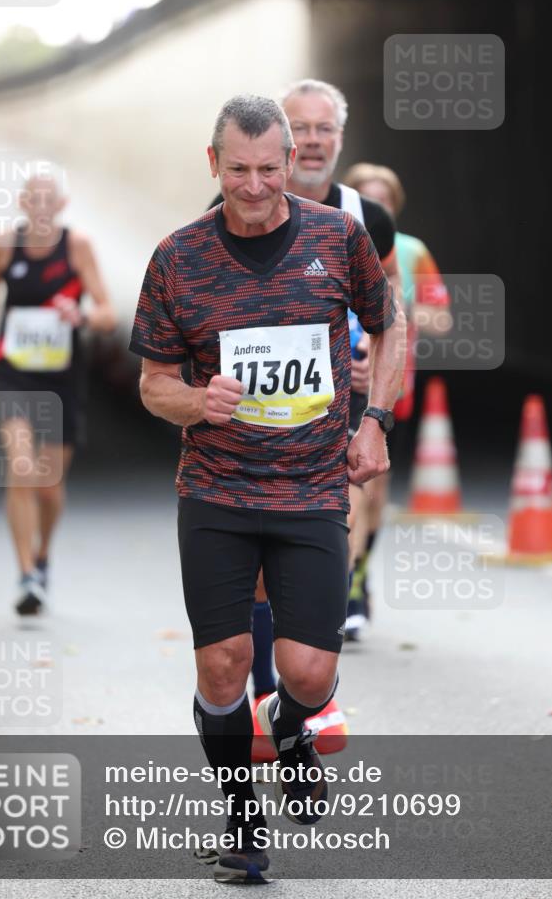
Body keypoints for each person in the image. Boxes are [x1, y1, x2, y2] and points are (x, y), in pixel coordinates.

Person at [131, 95, 405, 882]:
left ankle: (288, 727)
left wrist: (375, 419)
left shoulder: (336, 237)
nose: (253, 186)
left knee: (309, 672)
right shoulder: (177, 257)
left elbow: (388, 325)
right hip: (216, 489)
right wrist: (194, 400)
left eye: (267, 168)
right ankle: (242, 820)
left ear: (290, 164)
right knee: (221, 664)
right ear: (213, 164)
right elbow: (153, 382)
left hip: (312, 487)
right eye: (237, 169)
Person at [210, 79, 399, 736]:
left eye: (326, 128)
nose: (314, 140)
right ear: (281, 144)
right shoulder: (235, 204)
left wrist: (375, 384)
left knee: (330, 541)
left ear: (338, 139)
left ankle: (308, 698)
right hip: (263, 421)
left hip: (340, 407)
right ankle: (280, 713)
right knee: (263, 576)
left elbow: (390, 316)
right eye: (302, 128)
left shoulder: (366, 219)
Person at [0, 174, 116, 616]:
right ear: (21, 202)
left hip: (61, 378)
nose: (38, 206)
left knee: (49, 487)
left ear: (61, 204)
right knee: (21, 467)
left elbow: (108, 312)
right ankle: (26, 576)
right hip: (13, 373)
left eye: (47, 199)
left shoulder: (77, 246)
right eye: (31, 198)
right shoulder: (4, 245)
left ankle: (43, 555)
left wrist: (82, 314)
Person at [342, 162, 451, 635]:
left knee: (375, 489)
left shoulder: (411, 252)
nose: (376, 207)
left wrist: (405, 311)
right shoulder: (332, 239)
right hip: (338, 379)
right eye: (367, 197)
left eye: (383, 199)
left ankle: (358, 583)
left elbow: (443, 319)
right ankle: (343, 589)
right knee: (347, 489)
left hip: (393, 384)